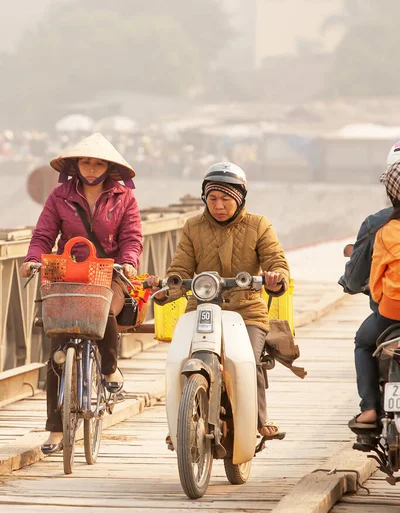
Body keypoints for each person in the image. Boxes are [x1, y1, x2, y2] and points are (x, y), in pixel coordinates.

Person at [146, 161, 290, 440]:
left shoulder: (259, 225)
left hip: (247, 309)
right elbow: (180, 270)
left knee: (249, 359)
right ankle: (180, 423)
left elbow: (276, 261)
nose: (218, 205)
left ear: (240, 199)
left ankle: (260, 418)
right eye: (212, 198)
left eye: (226, 198)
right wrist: (167, 288)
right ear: (205, 198)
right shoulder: (193, 226)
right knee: (180, 360)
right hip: (200, 308)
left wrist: (275, 277)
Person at [20, 132, 143, 454]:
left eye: (98, 162)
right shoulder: (60, 195)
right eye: (86, 162)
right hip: (68, 272)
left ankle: (108, 366)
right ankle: (55, 431)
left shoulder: (124, 198)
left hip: (109, 271)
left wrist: (128, 263)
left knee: (105, 311)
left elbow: (132, 237)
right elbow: (44, 234)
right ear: (76, 165)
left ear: (108, 167)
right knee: (58, 351)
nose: (91, 168)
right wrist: (33, 258)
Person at [341, 143, 400, 434]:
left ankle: (369, 407)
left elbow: (362, 275)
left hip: (389, 313)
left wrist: (352, 285)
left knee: (363, 343)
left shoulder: (378, 225)